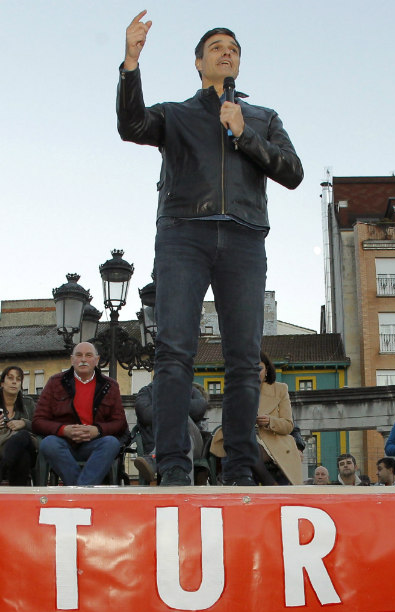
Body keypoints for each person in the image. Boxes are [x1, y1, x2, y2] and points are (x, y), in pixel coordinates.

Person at [118, 14, 304, 487]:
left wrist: (243, 134)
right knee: (174, 350)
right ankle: (175, 464)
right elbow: (132, 125)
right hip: (184, 234)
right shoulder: (177, 114)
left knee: (244, 358)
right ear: (199, 63)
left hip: (244, 237)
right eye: (217, 47)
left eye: (234, 49)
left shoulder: (262, 117)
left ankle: (239, 469)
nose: (227, 53)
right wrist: (131, 64)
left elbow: (292, 172)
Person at [33, 342, 129, 486]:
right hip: (64, 444)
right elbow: (38, 421)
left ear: (97, 360)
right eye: (79, 355)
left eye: (88, 355)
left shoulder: (110, 386)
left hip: (94, 445)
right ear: (72, 360)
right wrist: (64, 430)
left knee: (111, 443)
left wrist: (97, 430)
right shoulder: (55, 382)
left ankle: (78, 490)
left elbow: (120, 423)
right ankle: (84, 489)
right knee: (48, 443)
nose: (83, 359)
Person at [210, 353, 300, 485]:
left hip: (272, 440)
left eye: (259, 369)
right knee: (246, 442)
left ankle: (268, 482)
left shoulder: (280, 389)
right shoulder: (236, 391)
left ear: (267, 370)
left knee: (247, 445)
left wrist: (270, 421)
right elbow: (229, 423)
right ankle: (269, 483)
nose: (255, 373)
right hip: (244, 438)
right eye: (251, 369)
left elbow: (288, 425)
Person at [0, 366, 40, 486]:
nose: (14, 382)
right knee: (23, 457)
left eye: (18, 379)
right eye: (10, 378)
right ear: (2, 383)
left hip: (29, 444)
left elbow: (40, 425)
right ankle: (18, 496)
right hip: (0, 447)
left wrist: (24, 423)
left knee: (23, 435)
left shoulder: (28, 403)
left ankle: (2, 468)